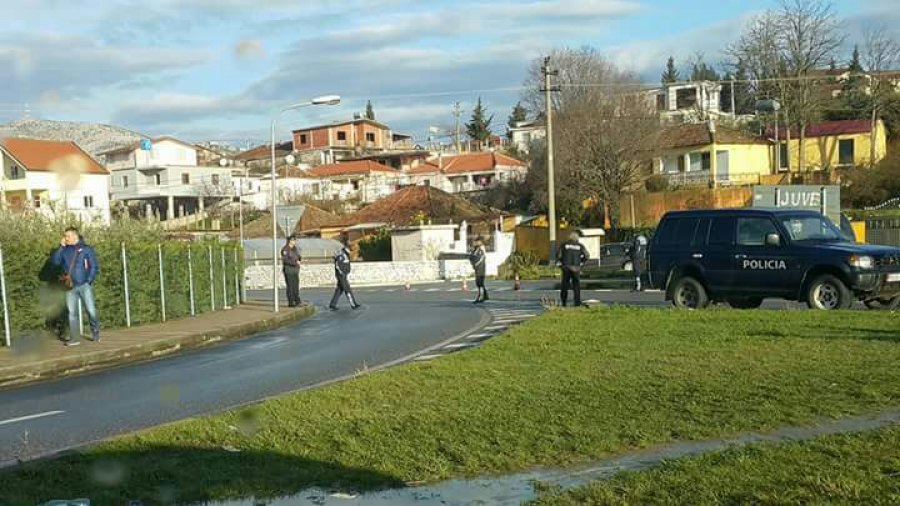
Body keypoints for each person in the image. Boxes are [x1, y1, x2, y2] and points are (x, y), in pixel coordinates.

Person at [51, 226, 100, 346]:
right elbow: (55, 262)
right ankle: (75, 338)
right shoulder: (64, 249)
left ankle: (95, 331)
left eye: (67, 236)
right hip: (69, 286)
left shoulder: (86, 249)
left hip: (84, 284)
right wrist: (60, 247)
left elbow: (94, 266)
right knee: (71, 313)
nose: (65, 238)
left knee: (91, 310)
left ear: (74, 236)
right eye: (65, 236)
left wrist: (88, 281)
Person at [557, 231, 589, 307]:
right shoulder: (580, 246)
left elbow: (559, 255)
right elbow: (587, 255)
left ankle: (564, 302)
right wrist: (581, 262)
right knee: (576, 286)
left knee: (565, 285)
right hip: (576, 268)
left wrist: (562, 262)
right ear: (577, 239)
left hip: (566, 267)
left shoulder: (564, 245)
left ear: (569, 238)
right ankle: (577, 303)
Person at [328, 237, 360, 311]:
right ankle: (353, 304)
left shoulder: (346, 254)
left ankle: (332, 304)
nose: (353, 249)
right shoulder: (342, 254)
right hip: (341, 275)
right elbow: (337, 264)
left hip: (343, 274)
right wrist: (342, 273)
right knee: (347, 289)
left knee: (339, 289)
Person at [281, 235, 302, 307]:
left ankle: (297, 300)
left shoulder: (295, 249)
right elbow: (286, 260)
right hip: (288, 269)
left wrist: (299, 260)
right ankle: (291, 302)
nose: (295, 242)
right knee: (290, 286)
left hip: (295, 270)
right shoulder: (285, 249)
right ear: (290, 241)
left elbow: (298, 256)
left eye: (295, 240)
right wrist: (295, 263)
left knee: (296, 286)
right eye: (294, 240)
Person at [469, 236, 488, 304]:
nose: (475, 243)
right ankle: (485, 296)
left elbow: (482, 258)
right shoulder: (475, 249)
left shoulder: (481, 249)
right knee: (479, 283)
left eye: (476, 241)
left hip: (481, 268)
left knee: (480, 282)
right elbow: (471, 257)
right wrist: (473, 264)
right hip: (477, 268)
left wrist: (476, 264)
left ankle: (481, 297)